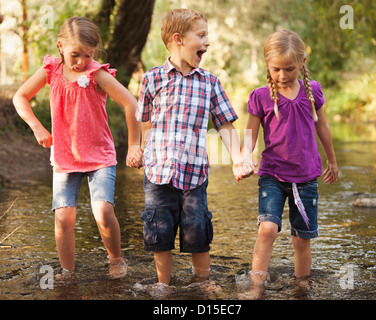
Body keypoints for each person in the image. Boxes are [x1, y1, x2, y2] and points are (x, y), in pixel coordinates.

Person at [13, 17, 142, 279]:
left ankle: (116, 260)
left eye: (88, 55)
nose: (81, 61)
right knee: (63, 217)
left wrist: (133, 146)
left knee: (103, 211)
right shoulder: (50, 70)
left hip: (100, 156)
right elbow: (20, 97)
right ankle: (67, 273)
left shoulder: (97, 74)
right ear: (60, 46)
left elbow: (131, 103)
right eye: (75, 54)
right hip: (65, 156)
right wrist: (37, 127)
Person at [136, 9, 252, 285]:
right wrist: (141, 149)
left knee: (197, 230)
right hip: (157, 172)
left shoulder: (210, 82)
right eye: (201, 36)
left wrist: (238, 158)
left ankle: (203, 283)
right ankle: (163, 286)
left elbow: (225, 124)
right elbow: (145, 121)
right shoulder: (152, 79)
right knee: (158, 230)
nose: (207, 42)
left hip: (194, 173)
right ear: (178, 39)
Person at [236, 29, 338, 297]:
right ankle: (256, 287)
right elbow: (250, 133)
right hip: (272, 175)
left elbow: (323, 128)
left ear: (302, 62)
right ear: (267, 66)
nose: (282, 76)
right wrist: (244, 158)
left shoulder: (312, 91)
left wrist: (332, 160)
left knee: (301, 238)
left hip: (306, 177)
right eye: (276, 69)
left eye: (289, 69)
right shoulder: (260, 96)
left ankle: (301, 287)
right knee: (267, 229)